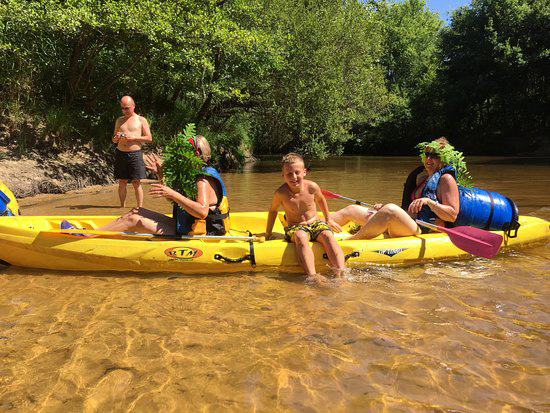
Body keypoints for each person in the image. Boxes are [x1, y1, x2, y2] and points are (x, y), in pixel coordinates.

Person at [86, 135, 229, 236]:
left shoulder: (202, 180)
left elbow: (202, 212)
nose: (180, 157)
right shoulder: (194, 174)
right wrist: (160, 175)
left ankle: (88, 238)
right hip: (188, 225)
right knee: (136, 211)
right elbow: (177, 202)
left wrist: (173, 193)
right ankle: (94, 233)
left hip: (199, 231)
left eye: (184, 153)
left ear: (196, 154)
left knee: (134, 220)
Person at [330, 137, 461, 239]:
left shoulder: (446, 180)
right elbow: (410, 210)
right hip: (407, 223)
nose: (428, 159)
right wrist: (384, 210)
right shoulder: (422, 179)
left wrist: (429, 202)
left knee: (390, 210)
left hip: (421, 228)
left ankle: (351, 242)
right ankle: (314, 228)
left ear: (444, 158)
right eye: (427, 154)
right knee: (351, 210)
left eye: (434, 155)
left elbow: (452, 215)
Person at [264, 153, 345, 280]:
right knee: (301, 237)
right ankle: (313, 276)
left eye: (297, 172)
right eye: (289, 174)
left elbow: (321, 200)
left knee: (328, 235)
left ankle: (340, 273)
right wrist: (267, 232)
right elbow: (273, 211)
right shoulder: (280, 193)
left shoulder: (312, 187)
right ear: (282, 175)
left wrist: (328, 219)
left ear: (304, 172)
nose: (294, 177)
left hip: (315, 223)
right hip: (296, 227)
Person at [112, 95, 152, 208]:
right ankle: (121, 207)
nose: (125, 110)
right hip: (121, 152)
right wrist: (117, 137)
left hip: (135, 154)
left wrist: (134, 137)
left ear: (133, 106)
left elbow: (149, 138)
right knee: (122, 182)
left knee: (136, 182)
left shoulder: (141, 120)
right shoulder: (119, 120)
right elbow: (113, 139)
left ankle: (140, 208)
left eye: (127, 108)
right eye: (122, 108)